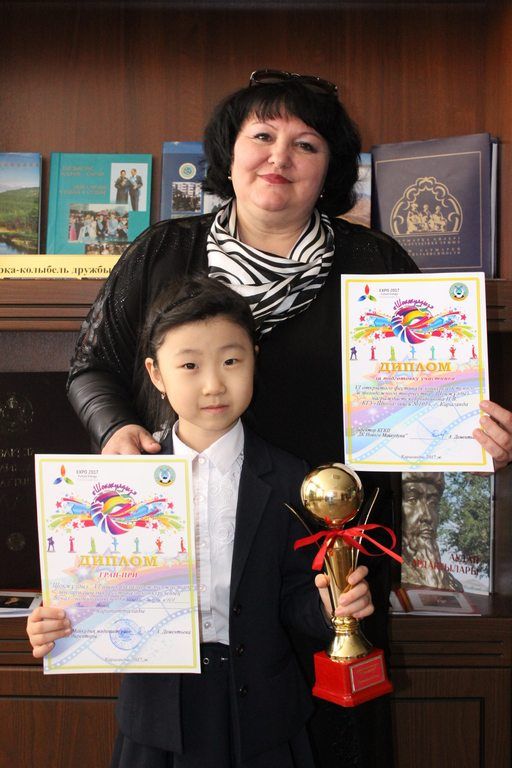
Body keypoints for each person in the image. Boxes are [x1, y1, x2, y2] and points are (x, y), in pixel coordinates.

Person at [65, 69, 512, 766]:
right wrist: (114, 427)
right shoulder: (162, 251)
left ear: (330, 169)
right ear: (230, 153)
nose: (280, 157)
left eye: (306, 145)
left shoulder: (375, 260)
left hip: (331, 552)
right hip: (195, 548)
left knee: (335, 734)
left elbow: (430, 393)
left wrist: (471, 434)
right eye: (263, 137)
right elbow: (91, 365)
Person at [27, 275, 374, 768]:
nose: (213, 384)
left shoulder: (291, 480)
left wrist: (330, 605)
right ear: (156, 373)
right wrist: (55, 620)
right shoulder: (119, 483)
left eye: (231, 361)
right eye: (189, 365)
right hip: (158, 720)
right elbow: (91, 587)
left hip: (265, 719)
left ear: (255, 358)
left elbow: (295, 598)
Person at [401, 472, 463, 591]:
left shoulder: (453, 585)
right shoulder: (388, 577)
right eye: (413, 500)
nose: (428, 516)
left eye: (433, 503)